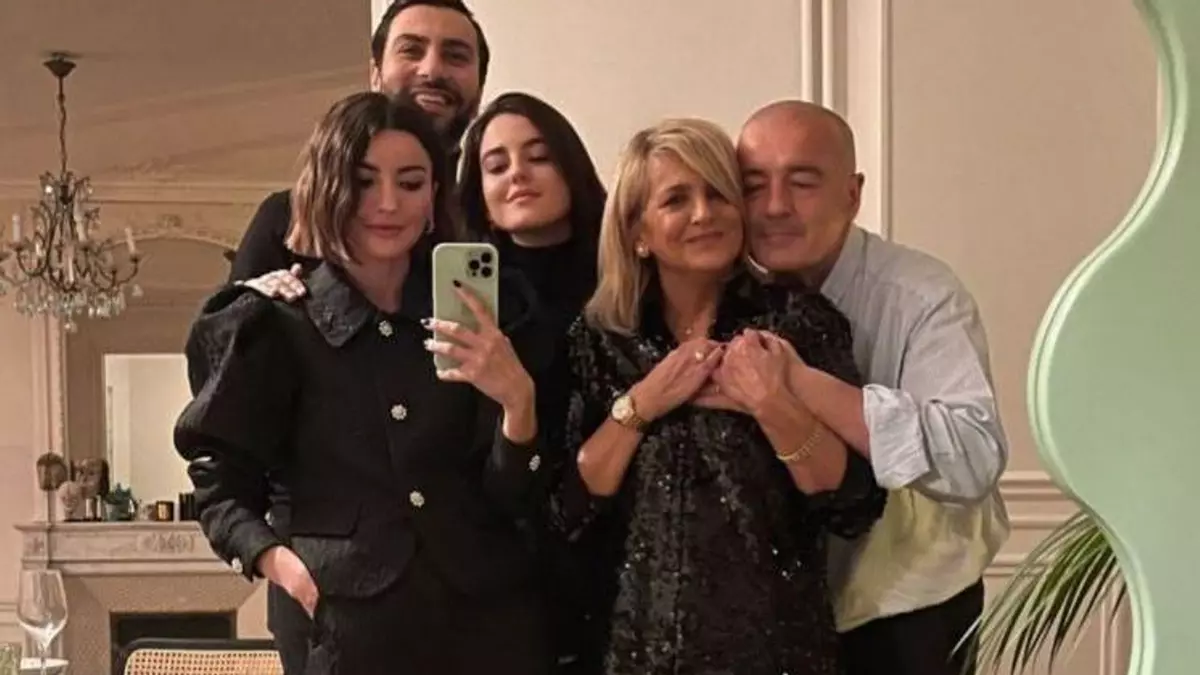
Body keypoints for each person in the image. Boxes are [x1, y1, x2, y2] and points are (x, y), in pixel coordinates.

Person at [175, 92, 551, 674]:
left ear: (434, 196)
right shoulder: (275, 324)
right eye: (362, 180)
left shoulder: (481, 315)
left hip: (487, 623)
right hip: (343, 630)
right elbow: (220, 484)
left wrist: (518, 404)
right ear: (327, 187)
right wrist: (278, 564)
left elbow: (511, 495)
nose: (387, 203)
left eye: (411, 182)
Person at [552, 118, 887, 675]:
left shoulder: (799, 324)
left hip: (776, 653)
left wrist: (773, 406)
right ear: (638, 232)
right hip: (630, 652)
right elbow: (569, 507)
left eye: (718, 194)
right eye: (676, 200)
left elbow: (854, 504)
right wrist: (641, 405)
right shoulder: (600, 339)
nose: (704, 214)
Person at [736, 99, 1010, 675]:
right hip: (784, 617)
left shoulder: (922, 295)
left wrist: (801, 384)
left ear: (852, 194)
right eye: (754, 185)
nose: (775, 206)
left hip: (911, 611)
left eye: (802, 182)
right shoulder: (729, 297)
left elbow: (973, 455)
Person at [458, 91, 606, 672]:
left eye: (538, 156)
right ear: (480, 194)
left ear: (571, 166)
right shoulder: (468, 303)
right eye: (496, 166)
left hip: (625, 564)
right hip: (508, 579)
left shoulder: (629, 280)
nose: (517, 173)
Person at [229, 0, 490, 281]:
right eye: (411, 50)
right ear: (375, 75)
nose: (432, 70)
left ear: (479, 91)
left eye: (456, 56)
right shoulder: (287, 220)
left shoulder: (493, 222)